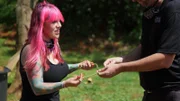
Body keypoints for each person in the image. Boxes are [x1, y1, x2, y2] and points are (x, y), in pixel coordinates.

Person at [97, 0, 180, 101]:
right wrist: (122, 59)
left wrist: (120, 68)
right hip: (152, 93)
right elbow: (144, 47)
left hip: (173, 93)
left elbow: (165, 59)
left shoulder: (173, 9)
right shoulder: (150, 11)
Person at [19, 1, 95, 101]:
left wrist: (79, 65)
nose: (59, 25)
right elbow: (37, 88)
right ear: (41, 25)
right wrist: (64, 84)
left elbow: (56, 69)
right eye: (54, 22)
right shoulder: (32, 50)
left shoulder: (54, 44)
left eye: (59, 21)